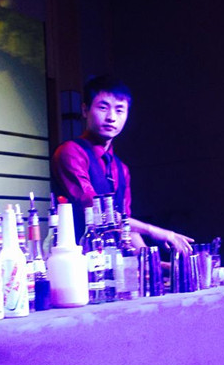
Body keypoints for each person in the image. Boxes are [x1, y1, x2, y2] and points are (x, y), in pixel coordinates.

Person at [51, 75, 193, 252]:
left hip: (112, 259)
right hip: (76, 258)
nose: (111, 117)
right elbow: (96, 210)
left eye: (119, 110)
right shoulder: (71, 152)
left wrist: (147, 258)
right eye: (103, 108)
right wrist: (154, 231)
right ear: (85, 110)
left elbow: (126, 226)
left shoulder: (121, 169)